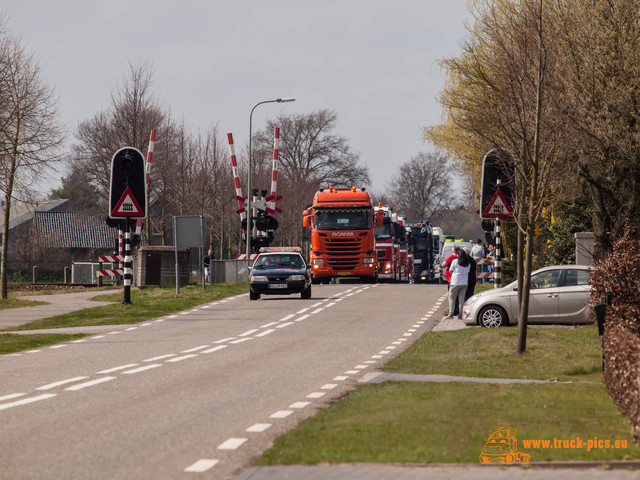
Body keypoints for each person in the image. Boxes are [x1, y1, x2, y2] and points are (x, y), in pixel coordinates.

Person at [446, 249, 470, 319]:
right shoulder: (468, 263)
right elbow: (468, 271)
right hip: (464, 282)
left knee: (452, 298)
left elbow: (450, 271)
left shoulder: (455, 261)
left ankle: (451, 313)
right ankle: (461, 313)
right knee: (461, 298)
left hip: (455, 282)